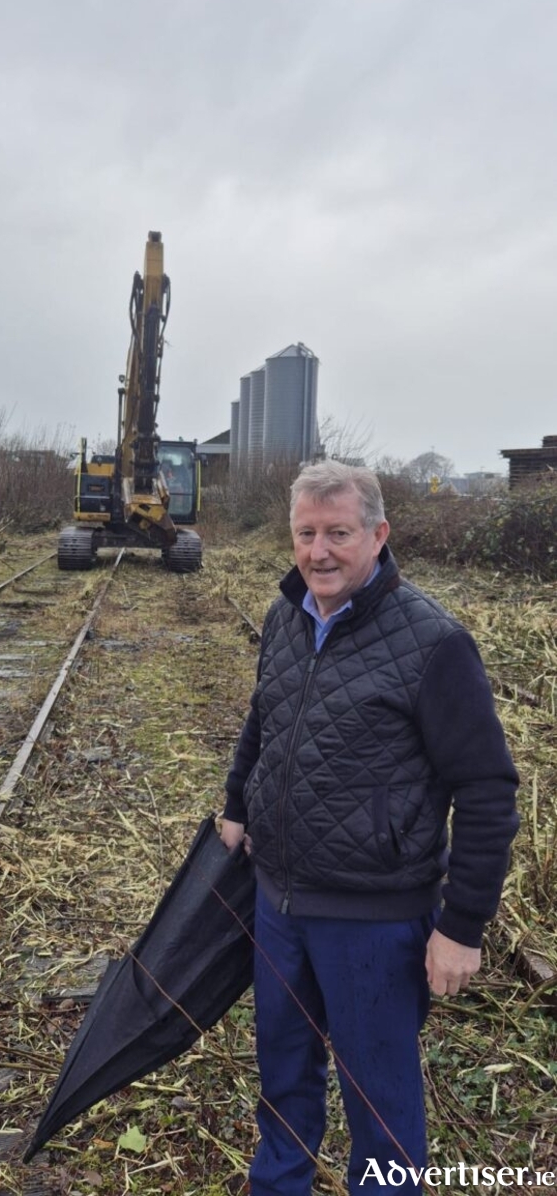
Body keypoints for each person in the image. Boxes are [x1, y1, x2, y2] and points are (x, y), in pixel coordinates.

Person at [220, 460, 519, 1195]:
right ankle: (277, 1184)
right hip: (279, 902)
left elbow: (487, 788)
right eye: (306, 533)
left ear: (379, 535)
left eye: (339, 533)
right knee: (284, 1075)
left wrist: (463, 926)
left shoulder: (434, 643)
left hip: (374, 920)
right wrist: (236, 803)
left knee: (379, 1102)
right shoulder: (285, 615)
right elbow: (267, 714)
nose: (319, 551)